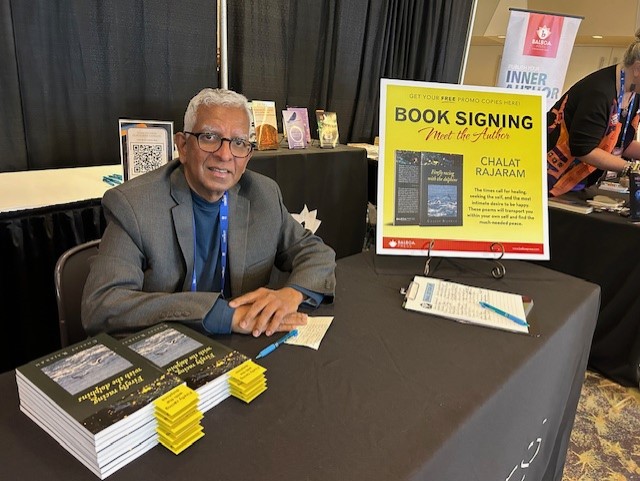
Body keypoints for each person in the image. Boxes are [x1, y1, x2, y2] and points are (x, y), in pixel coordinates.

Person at [82, 88, 336, 338]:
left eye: (238, 143)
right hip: (170, 348)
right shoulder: (135, 205)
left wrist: (292, 294)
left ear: (247, 156)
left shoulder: (264, 195)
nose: (225, 154)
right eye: (210, 137)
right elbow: (103, 305)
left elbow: (316, 253)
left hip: (244, 346)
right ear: (182, 146)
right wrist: (225, 316)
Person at [547, 30, 640, 197]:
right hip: (551, 180)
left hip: (578, 182)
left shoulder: (634, 94)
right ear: (638, 68)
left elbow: (620, 144)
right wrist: (632, 168)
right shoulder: (600, 92)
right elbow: (584, 149)